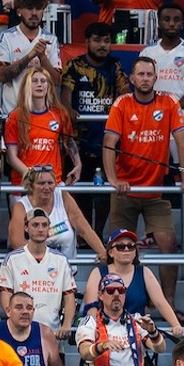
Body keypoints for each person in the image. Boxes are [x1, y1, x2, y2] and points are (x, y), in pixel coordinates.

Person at [104, 56, 184, 306]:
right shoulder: (122, 104)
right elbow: (109, 143)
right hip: (124, 192)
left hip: (155, 192)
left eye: (149, 74)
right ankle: (116, 303)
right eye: (140, 75)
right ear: (132, 79)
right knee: (118, 248)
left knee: (168, 244)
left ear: (155, 77)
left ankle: (169, 303)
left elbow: (182, 141)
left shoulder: (169, 102)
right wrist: (113, 178)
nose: (144, 79)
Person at [61, 22, 126, 229]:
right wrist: (69, 109)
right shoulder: (74, 65)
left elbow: (125, 94)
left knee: (107, 190)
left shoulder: (114, 65)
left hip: (107, 139)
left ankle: (97, 231)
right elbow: (65, 97)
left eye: (106, 41)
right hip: (79, 140)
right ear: (87, 42)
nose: (102, 45)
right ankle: (84, 231)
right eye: (97, 40)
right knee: (81, 190)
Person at [84, 228, 184, 336]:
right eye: (120, 247)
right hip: (106, 334)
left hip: (137, 336)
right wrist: (97, 332)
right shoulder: (98, 273)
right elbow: (91, 307)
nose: (126, 249)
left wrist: (176, 325)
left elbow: (161, 302)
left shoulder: (144, 272)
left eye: (131, 246)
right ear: (110, 252)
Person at [143, 4, 184, 170]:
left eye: (176, 20)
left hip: (182, 116)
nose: (171, 24)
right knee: (155, 168)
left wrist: (173, 108)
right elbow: (141, 85)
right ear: (159, 22)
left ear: (182, 23)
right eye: (167, 19)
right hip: (153, 117)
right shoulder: (147, 53)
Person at [0, 208, 75, 339]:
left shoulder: (61, 260)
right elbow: (6, 297)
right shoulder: (12, 259)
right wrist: (16, 323)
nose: (40, 229)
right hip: (19, 335)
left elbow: (69, 297)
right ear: (26, 227)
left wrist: (66, 325)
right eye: (35, 225)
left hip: (52, 335)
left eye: (44, 225)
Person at [8, 165, 108, 263]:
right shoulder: (21, 207)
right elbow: (18, 244)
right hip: (36, 272)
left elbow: (84, 230)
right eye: (41, 183)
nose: (46, 187)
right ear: (31, 186)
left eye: (50, 183)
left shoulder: (63, 197)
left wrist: (103, 252)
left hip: (67, 272)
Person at [0, 0, 62, 117]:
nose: (34, 13)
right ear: (19, 11)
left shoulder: (51, 39)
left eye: (39, 9)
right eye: (29, 9)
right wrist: (31, 55)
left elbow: (56, 80)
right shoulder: (6, 37)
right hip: (12, 114)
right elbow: (3, 76)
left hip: (42, 116)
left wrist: (42, 56)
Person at [5, 68, 78, 188]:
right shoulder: (15, 116)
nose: (39, 84)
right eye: (34, 81)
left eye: (43, 81)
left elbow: (69, 141)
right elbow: (11, 157)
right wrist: (31, 177)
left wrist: (78, 164)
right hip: (24, 184)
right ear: (27, 85)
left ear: (49, 86)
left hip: (53, 183)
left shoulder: (59, 113)